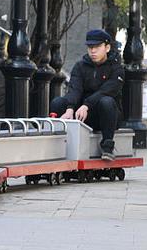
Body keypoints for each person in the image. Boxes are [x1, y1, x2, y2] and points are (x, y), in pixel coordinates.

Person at [49, 28, 124, 160]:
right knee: (58, 102)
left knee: (106, 101)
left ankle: (107, 147)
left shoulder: (116, 68)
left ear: (107, 47)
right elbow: (75, 89)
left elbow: (107, 90)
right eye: (90, 47)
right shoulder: (80, 66)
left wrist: (86, 105)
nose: (93, 51)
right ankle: (57, 145)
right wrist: (70, 108)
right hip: (83, 115)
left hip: (107, 116)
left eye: (97, 47)